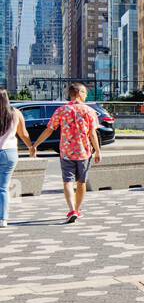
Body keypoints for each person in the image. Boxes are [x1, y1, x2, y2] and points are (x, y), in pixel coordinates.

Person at [30, 82, 101, 224]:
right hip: (84, 152)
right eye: (85, 93)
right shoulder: (89, 111)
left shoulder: (61, 110)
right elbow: (92, 134)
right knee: (81, 182)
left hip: (66, 152)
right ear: (79, 93)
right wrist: (98, 151)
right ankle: (78, 210)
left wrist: (35, 145)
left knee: (67, 181)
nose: (86, 95)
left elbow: (49, 129)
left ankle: (71, 209)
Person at [0, 91, 34, 229]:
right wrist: (31, 147)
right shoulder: (16, 113)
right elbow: (24, 133)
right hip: (10, 153)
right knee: (3, 187)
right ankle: (3, 219)